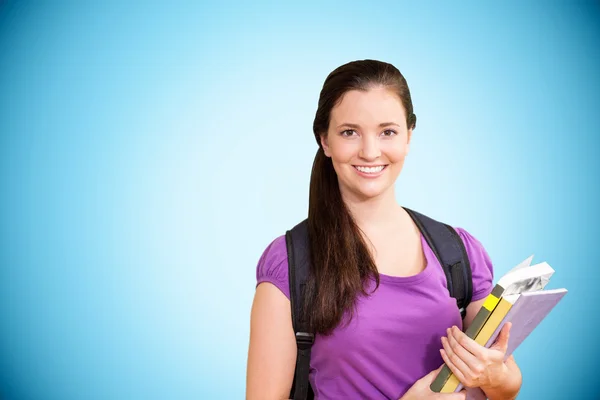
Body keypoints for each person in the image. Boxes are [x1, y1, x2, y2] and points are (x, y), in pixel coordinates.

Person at [246, 59, 523, 400]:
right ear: (325, 141)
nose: (370, 151)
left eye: (387, 131)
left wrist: (494, 376)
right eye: (350, 132)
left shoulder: (458, 251)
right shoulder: (290, 263)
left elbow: (507, 384)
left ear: (409, 136)